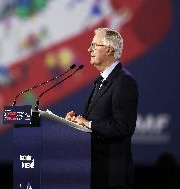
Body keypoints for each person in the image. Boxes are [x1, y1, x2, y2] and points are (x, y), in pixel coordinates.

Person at [65, 28, 138, 189]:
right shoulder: (101, 81)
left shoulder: (124, 81)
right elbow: (98, 120)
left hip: (112, 177)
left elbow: (124, 126)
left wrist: (88, 124)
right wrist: (77, 122)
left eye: (94, 45)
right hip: (94, 173)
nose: (88, 49)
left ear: (109, 49)